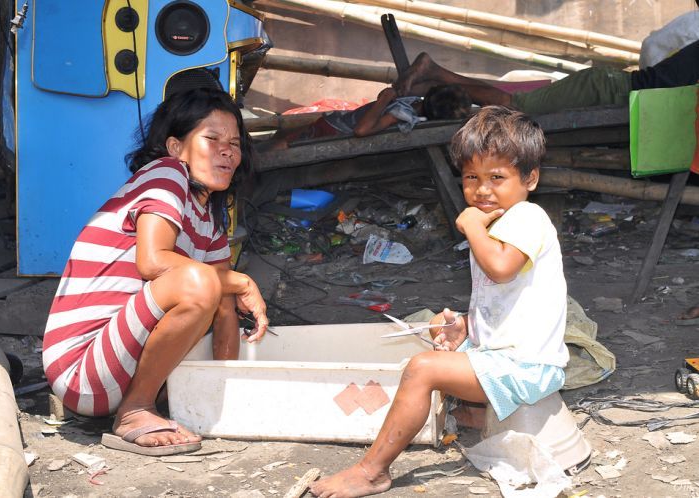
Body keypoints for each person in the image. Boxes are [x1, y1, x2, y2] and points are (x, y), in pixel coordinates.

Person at [311, 106, 569, 498]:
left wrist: (469, 225)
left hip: (529, 367)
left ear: (530, 178)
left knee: (422, 369)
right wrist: (468, 323)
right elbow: (509, 297)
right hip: (508, 355)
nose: (482, 190)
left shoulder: (527, 218)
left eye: (496, 177)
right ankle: (474, 414)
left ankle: (371, 471)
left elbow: (500, 269)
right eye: (471, 177)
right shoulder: (498, 222)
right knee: (437, 326)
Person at [41, 88, 269, 455]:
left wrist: (227, 392)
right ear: (176, 147)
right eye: (212, 139)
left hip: (121, 365)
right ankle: (135, 410)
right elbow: (153, 260)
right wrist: (240, 280)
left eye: (235, 143)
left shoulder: (208, 218)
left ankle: (143, 400)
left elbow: (225, 308)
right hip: (82, 371)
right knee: (200, 282)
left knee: (214, 288)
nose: (228, 151)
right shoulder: (166, 174)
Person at [396, 39, 699, 115]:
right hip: (605, 90)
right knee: (516, 105)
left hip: (608, 86)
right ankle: (432, 71)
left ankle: (434, 76)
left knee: (513, 102)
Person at [261, 81, 472, 149]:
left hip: (333, 130)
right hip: (332, 123)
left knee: (285, 146)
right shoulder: (415, 104)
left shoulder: (401, 113)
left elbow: (361, 130)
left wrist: (384, 99)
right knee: (281, 137)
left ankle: (257, 161)